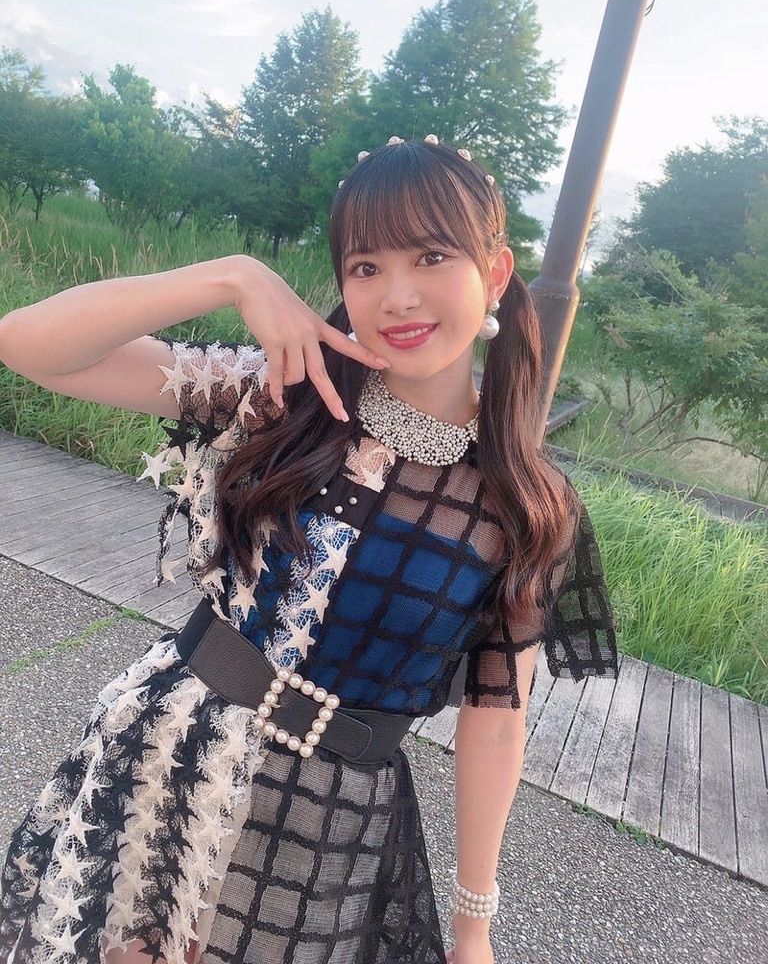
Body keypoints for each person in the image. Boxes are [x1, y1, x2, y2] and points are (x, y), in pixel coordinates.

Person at [0, 134, 619, 964]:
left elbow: (497, 723)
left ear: (497, 273)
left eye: (431, 256)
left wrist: (474, 928)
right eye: (366, 266)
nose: (398, 295)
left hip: (327, 829)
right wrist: (230, 276)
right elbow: (28, 343)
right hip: (164, 757)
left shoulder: (526, 503)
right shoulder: (280, 395)